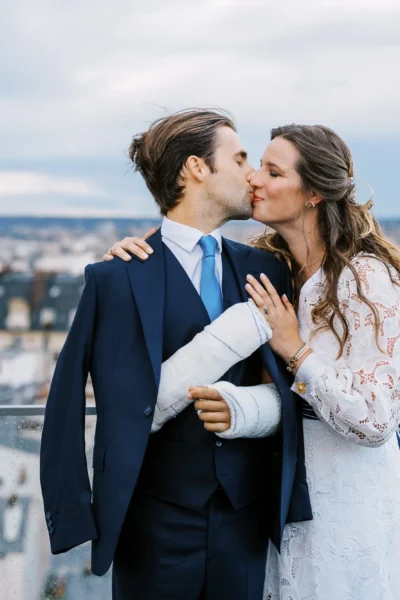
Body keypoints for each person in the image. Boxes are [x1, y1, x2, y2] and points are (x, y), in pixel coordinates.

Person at [106, 123, 400, 598]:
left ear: (313, 194)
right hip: (278, 502)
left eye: (272, 171)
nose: (255, 180)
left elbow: (376, 423)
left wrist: (295, 349)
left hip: (348, 498)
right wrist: (133, 260)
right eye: (254, 165)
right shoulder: (271, 268)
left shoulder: (366, 280)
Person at [40, 109, 312, 600]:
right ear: (196, 168)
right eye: (240, 158)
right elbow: (64, 403)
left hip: (246, 522)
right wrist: (73, 515)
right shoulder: (116, 277)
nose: (252, 174)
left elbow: (291, 384)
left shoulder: (269, 268)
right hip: (150, 525)